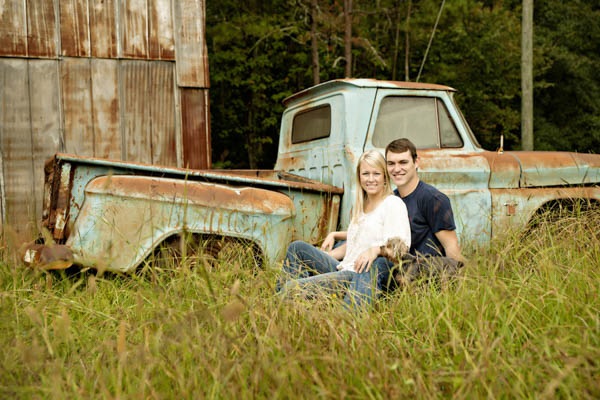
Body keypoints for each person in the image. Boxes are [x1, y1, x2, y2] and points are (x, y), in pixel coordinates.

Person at [276, 150, 411, 309]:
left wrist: (376, 250)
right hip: (345, 267)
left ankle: (290, 301)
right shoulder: (361, 206)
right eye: (365, 174)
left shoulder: (392, 204)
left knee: (291, 289)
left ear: (385, 177)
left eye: (376, 174)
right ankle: (291, 305)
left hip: (360, 275)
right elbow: (354, 245)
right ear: (359, 177)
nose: (371, 179)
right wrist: (324, 256)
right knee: (297, 248)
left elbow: (400, 249)